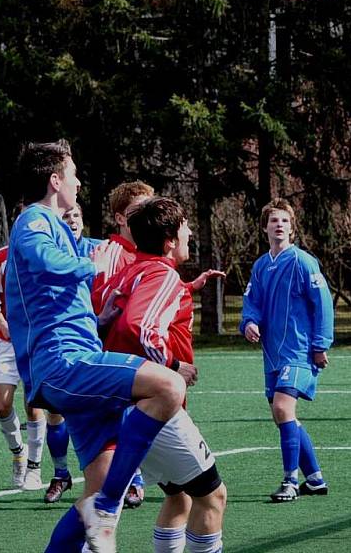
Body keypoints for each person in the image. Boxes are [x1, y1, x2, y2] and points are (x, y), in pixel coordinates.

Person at [4, 140, 184, 552]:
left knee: (100, 491)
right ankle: (103, 509)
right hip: (63, 363)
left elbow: (68, 288)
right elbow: (43, 260)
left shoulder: (59, 227)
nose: (79, 182)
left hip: (77, 363)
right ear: (55, 181)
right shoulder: (34, 219)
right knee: (169, 387)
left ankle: (100, 508)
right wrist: (92, 266)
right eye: (72, 174)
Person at [95, 196, 227, 553]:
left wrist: (188, 289)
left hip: (123, 401)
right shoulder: (162, 274)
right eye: (184, 227)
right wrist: (172, 367)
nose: (189, 233)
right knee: (213, 496)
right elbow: (141, 326)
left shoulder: (130, 271)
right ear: (170, 240)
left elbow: (110, 317)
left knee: (180, 497)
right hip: (155, 404)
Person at [240, 198, 334, 502]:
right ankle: (316, 479)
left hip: (299, 351)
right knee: (284, 416)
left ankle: (290, 481)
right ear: (264, 227)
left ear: (292, 229)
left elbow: (323, 305)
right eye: (273, 221)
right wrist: (249, 323)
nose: (278, 225)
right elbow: (251, 304)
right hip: (271, 355)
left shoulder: (303, 261)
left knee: (283, 409)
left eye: (284, 221)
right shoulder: (259, 266)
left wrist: (321, 345)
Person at [91, 180, 155, 509]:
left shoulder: (144, 252)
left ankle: (133, 476)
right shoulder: (113, 254)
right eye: (138, 211)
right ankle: (131, 479)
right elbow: (103, 303)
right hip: (116, 346)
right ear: (119, 218)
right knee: (126, 412)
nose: (147, 215)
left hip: (137, 346)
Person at [41, 203, 107, 505]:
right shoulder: (53, 254)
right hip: (63, 341)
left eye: (76, 216)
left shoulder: (98, 249)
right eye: (66, 217)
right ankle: (61, 474)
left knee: (110, 405)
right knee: (55, 409)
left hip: (99, 334)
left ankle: (134, 479)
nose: (72, 221)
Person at [0, 242, 46, 491]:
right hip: (8, 340)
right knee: (1, 403)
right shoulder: (0, 257)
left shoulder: (45, 251)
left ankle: (35, 466)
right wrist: (4, 326)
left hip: (37, 338)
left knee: (34, 404)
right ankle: (18, 453)